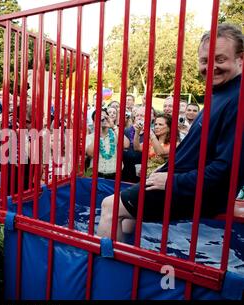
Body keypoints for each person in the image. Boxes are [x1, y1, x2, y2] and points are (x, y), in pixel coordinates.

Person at [98, 23, 244, 241]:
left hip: (198, 190)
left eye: (220, 59)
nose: (210, 67)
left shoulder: (238, 99)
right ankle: (127, 260)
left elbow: (226, 171)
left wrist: (171, 182)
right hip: (183, 180)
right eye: (204, 61)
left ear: (240, 59)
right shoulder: (220, 93)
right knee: (126, 215)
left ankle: (107, 271)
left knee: (109, 207)